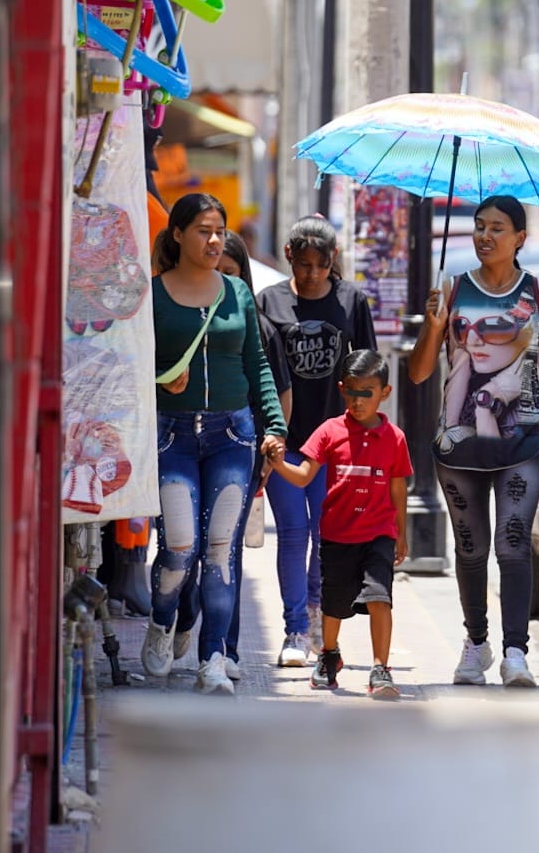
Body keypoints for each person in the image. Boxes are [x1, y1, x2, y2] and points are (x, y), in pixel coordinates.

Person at [408, 194, 539, 688]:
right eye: (479, 226)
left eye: (497, 228)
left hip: (522, 444)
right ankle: (476, 643)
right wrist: (433, 328)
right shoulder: (451, 291)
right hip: (458, 446)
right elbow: (421, 372)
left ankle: (514, 652)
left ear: (520, 239)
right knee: (470, 551)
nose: (485, 235)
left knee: (511, 544)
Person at [143, 193, 287, 696]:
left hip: (232, 435)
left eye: (219, 231)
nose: (213, 240)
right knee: (180, 548)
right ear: (178, 234)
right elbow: (134, 367)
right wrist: (163, 384)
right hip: (171, 435)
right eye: (202, 230)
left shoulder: (236, 294)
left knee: (221, 553)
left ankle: (214, 656)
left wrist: (274, 427)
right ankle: (163, 622)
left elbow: (258, 364)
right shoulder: (153, 294)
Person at [257, 215, 378, 666]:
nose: (311, 274)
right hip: (284, 439)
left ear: (333, 262)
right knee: (293, 533)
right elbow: (259, 368)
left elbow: (369, 369)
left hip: (335, 443)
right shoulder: (268, 301)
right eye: (303, 264)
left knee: (326, 535)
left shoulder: (351, 301)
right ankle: (293, 629)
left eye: (320, 266)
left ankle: (312, 612)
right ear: (289, 256)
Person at [268, 350, 410, 697]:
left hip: (378, 534)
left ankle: (381, 668)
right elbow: (303, 475)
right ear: (342, 389)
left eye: (368, 393)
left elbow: (398, 488)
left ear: (384, 393)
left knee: (380, 598)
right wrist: (277, 462)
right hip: (336, 535)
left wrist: (401, 534)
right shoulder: (330, 431)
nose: (359, 401)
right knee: (334, 604)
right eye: (352, 392)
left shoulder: (395, 439)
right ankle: (329, 656)